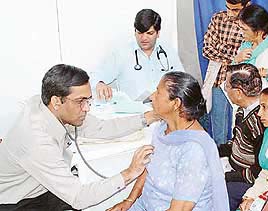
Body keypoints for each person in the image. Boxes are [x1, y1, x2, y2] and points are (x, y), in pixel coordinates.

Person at [0, 64, 158, 210]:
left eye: (88, 100)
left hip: (41, 186)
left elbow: (101, 128)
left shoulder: (49, 106)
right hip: (19, 201)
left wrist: (149, 117)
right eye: (80, 101)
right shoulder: (37, 140)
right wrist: (130, 172)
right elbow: (78, 197)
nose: (87, 108)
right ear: (56, 101)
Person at [107, 71, 229, 211]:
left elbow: (179, 209)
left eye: (158, 93)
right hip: (146, 205)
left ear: (176, 103)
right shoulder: (163, 129)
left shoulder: (194, 150)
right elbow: (150, 169)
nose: (152, 97)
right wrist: (129, 201)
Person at [92, 9, 184, 101]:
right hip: (135, 112)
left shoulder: (168, 52)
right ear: (134, 31)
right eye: (139, 33)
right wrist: (100, 83)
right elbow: (95, 76)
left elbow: (182, 81)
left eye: (149, 33)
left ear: (158, 33)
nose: (144, 38)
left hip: (164, 110)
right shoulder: (122, 53)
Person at [202, 0, 251, 145]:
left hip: (243, 84)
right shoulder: (218, 18)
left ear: (246, 6)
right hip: (219, 79)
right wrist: (235, 57)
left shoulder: (253, 23)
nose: (230, 14)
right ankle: (220, 160)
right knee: (218, 128)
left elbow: (251, 52)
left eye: (235, 10)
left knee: (243, 126)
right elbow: (207, 49)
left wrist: (220, 47)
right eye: (227, 8)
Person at [219, 63, 265, 211]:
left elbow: (258, 170)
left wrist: (227, 176)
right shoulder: (242, 110)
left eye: (226, 86)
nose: (224, 89)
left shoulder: (260, 121)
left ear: (238, 93)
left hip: (248, 180)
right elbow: (236, 141)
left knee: (215, 190)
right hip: (233, 166)